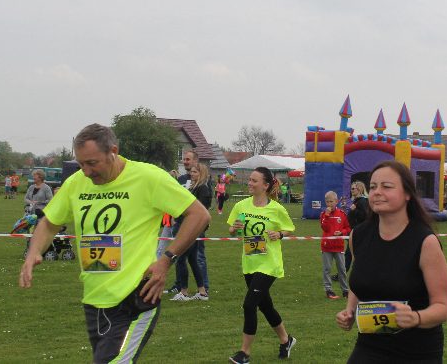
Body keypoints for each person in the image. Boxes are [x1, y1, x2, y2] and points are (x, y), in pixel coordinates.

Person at [20, 124, 210, 364]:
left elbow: (199, 215)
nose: (86, 171)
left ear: (113, 151)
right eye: (81, 164)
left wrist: (166, 260)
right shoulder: (76, 183)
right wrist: (33, 252)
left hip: (135, 298)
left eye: (92, 163)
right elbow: (50, 223)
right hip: (94, 300)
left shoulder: (147, 177)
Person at [336, 160, 447, 363]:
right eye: (373, 187)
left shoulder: (425, 242)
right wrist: (350, 310)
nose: (377, 192)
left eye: (386, 186)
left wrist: (416, 318)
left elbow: (443, 306)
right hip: (370, 345)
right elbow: (360, 278)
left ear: (407, 194)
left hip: (416, 351)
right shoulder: (359, 235)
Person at [227, 166, 296, 364]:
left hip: (269, 264)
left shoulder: (276, 208)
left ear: (265, 185)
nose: (249, 183)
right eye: (249, 179)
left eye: (254, 180)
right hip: (250, 262)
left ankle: (244, 353)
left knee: (249, 305)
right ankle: (286, 340)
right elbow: (233, 230)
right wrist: (235, 228)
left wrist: (279, 234)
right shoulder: (241, 206)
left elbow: (289, 228)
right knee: (265, 306)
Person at [170, 164, 212, 301]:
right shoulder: (193, 187)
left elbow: (201, 211)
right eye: (191, 172)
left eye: (195, 172)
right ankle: (202, 292)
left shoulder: (203, 189)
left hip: (193, 229)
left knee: (181, 258)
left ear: (201, 174)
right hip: (188, 227)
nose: (192, 174)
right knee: (193, 260)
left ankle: (184, 292)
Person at [320, 191, 350, 299]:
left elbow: (348, 228)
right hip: (327, 246)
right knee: (327, 269)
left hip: (338, 246)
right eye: (327, 202)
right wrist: (327, 215)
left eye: (331, 201)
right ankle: (328, 290)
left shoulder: (342, 214)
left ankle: (345, 291)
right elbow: (325, 228)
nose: (329, 204)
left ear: (336, 201)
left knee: (342, 270)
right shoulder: (323, 214)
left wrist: (341, 232)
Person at [344, 181, 369, 273]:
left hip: (358, 232)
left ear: (360, 189)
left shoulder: (362, 201)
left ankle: (344, 274)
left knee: (350, 253)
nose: (351, 190)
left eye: (353, 188)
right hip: (353, 231)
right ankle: (343, 274)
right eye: (351, 188)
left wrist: (354, 210)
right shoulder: (357, 201)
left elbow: (365, 216)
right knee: (349, 253)